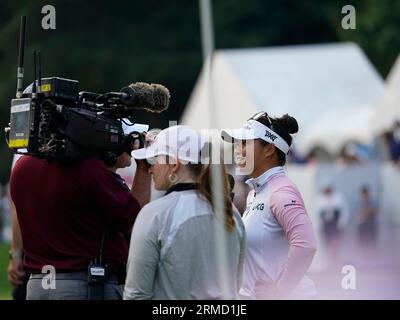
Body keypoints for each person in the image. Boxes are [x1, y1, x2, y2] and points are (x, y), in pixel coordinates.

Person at [9, 135, 151, 300]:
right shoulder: (87, 167)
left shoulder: (21, 166)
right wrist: (143, 165)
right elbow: (135, 220)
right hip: (82, 284)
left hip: (37, 285)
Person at [123, 125, 245, 300]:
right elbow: (237, 284)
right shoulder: (231, 212)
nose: (150, 169)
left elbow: (136, 295)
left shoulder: (154, 214)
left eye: (155, 160)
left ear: (173, 164)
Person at [221, 112, 317, 299]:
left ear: (269, 150)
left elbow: (306, 245)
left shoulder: (280, 192)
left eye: (245, 142)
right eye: (237, 143)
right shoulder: (256, 193)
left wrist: (281, 290)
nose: (237, 149)